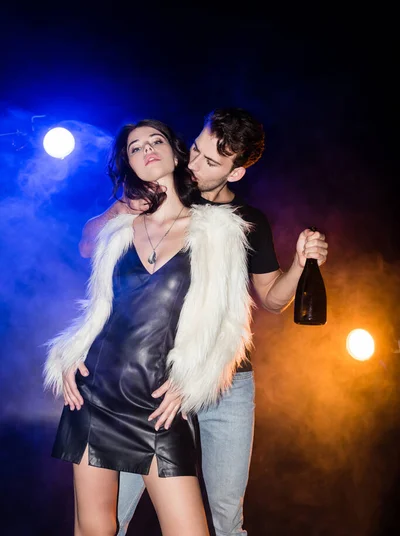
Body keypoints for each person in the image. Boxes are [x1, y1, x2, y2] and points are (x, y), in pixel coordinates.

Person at [76, 108, 329, 536]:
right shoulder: (162, 195)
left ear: (236, 172)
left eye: (211, 162)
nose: (194, 164)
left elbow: (270, 299)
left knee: (226, 519)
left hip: (225, 384)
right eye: (195, 149)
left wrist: (301, 265)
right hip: (155, 381)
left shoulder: (246, 223)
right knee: (112, 515)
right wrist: (124, 203)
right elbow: (91, 247)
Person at [43, 119, 256, 536]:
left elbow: (230, 327)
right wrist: (70, 355)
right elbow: (98, 311)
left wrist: (192, 381)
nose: (147, 150)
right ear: (131, 165)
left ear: (177, 154)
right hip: (97, 393)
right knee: (95, 529)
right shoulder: (118, 232)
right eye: (136, 148)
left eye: (155, 140)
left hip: (158, 405)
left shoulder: (218, 231)